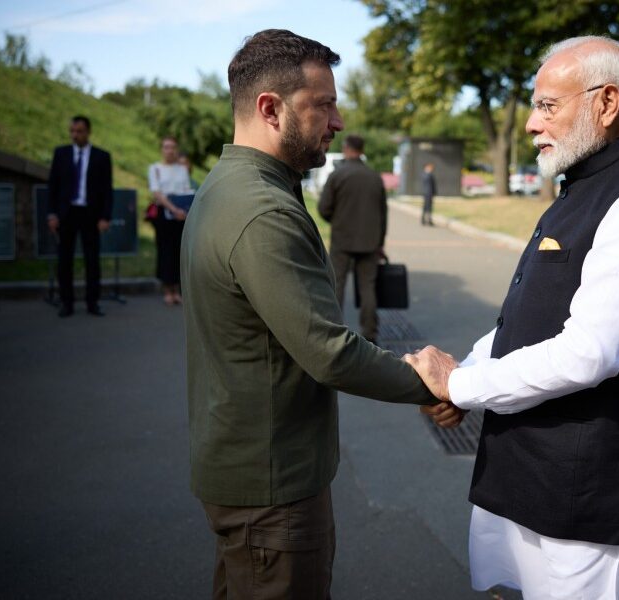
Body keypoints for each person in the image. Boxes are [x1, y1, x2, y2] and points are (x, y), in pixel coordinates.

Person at [405, 36, 619, 599]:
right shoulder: (585, 183)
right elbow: (530, 318)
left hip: (597, 494)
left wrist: (464, 384)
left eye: (547, 105)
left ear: (606, 103)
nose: (531, 124)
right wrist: (462, 378)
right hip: (539, 476)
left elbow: (589, 351)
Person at [180, 29, 454, 599]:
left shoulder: (234, 187)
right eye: (323, 104)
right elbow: (327, 350)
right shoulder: (262, 211)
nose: (336, 119)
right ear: (270, 109)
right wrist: (428, 384)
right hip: (271, 487)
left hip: (249, 468)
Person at [318, 134, 387, 342]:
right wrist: (380, 242)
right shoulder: (374, 177)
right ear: (362, 149)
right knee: (368, 287)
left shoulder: (338, 175)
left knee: (337, 285)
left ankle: (335, 332)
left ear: (347, 148)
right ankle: (370, 333)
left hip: (342, 239)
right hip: (370, 241)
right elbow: (383, 213)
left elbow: (323, 208)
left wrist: (337, 221)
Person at [47, 115, 113, 317]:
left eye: (79, 131)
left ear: (88, 132)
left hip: (90, 214)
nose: (75, 135)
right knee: (64, 259)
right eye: (72, 131)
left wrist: (105, 217)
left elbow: (107, 190)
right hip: (67, 213)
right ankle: (67, 303)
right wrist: (52, 214)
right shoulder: (61, 154)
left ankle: (92, 302)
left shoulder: (101, 156)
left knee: (92, 260)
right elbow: (53, 186)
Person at [148, 136, 192, 306]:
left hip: (181, 215)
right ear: (162, 149)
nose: (170, 150)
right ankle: (167, 289)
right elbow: (157, 193)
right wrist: (173, 209)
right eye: (166, 147)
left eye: (173, 147)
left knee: (179, 251)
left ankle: (177, 289)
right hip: (164, 215)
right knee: (165, 251)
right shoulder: (155, 168)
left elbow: (186, 189)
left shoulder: (182, 169)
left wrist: (184, 210)